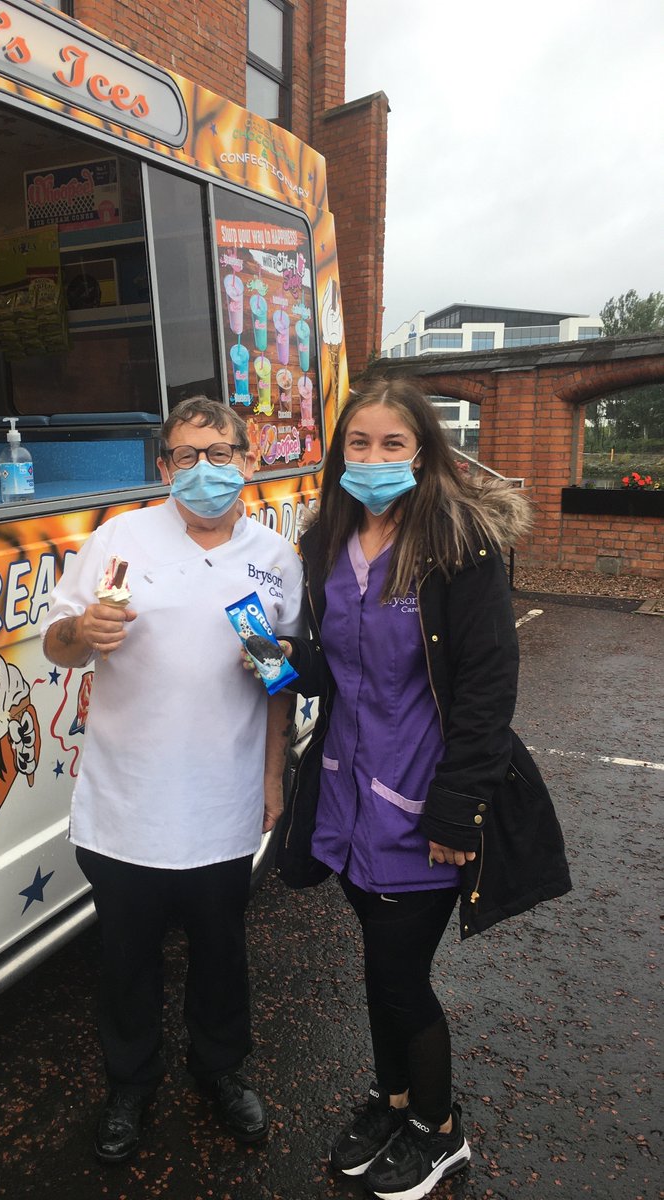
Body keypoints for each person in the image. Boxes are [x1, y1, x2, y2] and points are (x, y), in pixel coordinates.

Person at [276, 379, 571, 1200]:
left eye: (391, 444)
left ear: (424, 452)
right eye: (357, 444)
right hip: (346, 791)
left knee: (402, 976)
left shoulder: (459, 545)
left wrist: (457, 810)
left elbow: (486, 687)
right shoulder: (326, 541)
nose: (371, 459)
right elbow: (336, 666)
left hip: (423, 795)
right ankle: (393, 1098)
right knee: (380, 965)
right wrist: (279, 662)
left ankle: (440, 1132)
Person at [40, 395, 302, 1164]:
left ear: (249, 462)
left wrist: (274, 777)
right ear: (164, 467)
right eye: (187, 456)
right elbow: (57, 643)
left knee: (222, 952)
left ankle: (220, 1071)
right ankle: (130, 1083)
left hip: (222, 799)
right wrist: (80, 634)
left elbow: (277, 680)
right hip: (128, 800)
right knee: (126, 957)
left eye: (221, 453)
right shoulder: (119, 540)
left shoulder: (274, 557)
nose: (205, 470)